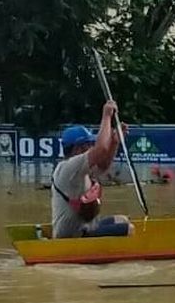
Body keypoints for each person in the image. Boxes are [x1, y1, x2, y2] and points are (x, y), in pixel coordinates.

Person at [51, 100, 134, 238]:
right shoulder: (69, 167)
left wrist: (114, 142)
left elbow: (103, 165)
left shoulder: (82, 169)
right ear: (78, 148)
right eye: (88, 144)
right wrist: (106, 116)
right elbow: (101, 150)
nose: (91, 147)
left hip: (85, 227)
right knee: (129, 229)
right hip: (71, 234)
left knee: (123, 219)